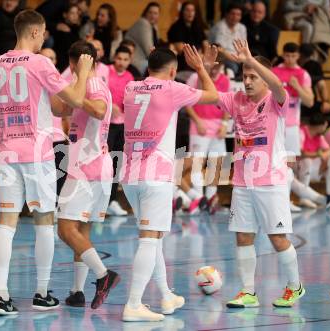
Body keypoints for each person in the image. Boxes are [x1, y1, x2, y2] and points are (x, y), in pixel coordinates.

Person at [0, 9, 93, 315]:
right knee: (44, 222)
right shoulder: (41, 62)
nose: (44, 38)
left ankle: (1, 296)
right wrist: (81, 73)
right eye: (43, 33)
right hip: (37, 151)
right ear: (33, 32)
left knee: (6, 225)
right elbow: (77, 100)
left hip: (7, 152)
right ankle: (42, 293)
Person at [121, 44, 219, 321]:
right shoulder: (172, 88)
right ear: (174, 71)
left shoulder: (130, 87)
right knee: (150, 239)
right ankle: (133, 304)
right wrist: (201, 68)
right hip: (156, 175)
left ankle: (166, 295)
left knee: (155, 237)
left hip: (129, 174)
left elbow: (150, 82)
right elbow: (212, 96)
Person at [206, 39, 305, 309]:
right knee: (243, 236)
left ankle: (295, 286)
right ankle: (248, 292)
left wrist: (249, 60)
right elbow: (211, 95)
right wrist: (205, 69)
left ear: (263, 78)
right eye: (245, 76)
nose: (247, 81)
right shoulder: (237, 100)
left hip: (271, 181)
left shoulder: (275, 101)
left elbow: (278, 85)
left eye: (252, 76)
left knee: (277, 238)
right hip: (242, 182)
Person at [57, 41, 120, 310]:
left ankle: (104, 275)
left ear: (76, 64)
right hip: (95, 165)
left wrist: (80, 79)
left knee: (65, 229)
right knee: (81, 231)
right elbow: (59, 109)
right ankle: (77, 291)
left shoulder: (91, 84)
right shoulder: (87, 85)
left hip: (87, 166)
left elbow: (99, 110)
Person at [272, 42, 314, 211]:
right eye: (287, 55)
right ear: (283, 55)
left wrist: (297, 86)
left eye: (293, 56)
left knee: (289, 164)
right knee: (274, 162)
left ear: (298, 56)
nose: (289, 59)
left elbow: (310, 102)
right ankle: (276, 199)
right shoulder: (274, 72)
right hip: (274, 123)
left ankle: (286, 200)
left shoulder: (303, 74)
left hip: (291, 126)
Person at [185, 57, 230, 214]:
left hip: (217, 126)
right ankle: (198, 199)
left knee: (216, 164)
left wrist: (224, 125)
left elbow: (226, 103)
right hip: (200, 125)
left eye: (218, 67)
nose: (215, 70)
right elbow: (187, 102)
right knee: (197, 163)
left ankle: (211, 199)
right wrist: (197, 121)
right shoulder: (195, 77)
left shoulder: (225, 80)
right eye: (213, 67)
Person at [105, 46, 134, 216]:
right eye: (119, 58)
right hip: (106, 125)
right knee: (104, 164)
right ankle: (99, 201)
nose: (122, 62)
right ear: (114, 58)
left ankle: (112, 200)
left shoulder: (130, 77)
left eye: (125, 59)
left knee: (116, 163)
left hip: (122, 125)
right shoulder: (105, 71)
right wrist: (110, 105)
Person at [284, 0, 330, 72]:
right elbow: (287, 6)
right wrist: (304, 7)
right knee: (308, 28)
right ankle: (306, 60)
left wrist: (328, 11)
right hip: (302, 16)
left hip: (321, 19)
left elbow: (327, 7)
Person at [40, 47, 70, 198]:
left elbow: (65, 112)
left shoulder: (61, 81)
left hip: (58, 136)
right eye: (45, 58)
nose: (48, 61)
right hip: (41, 137)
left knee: (61, 172)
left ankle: (56, 203)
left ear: (56, 61)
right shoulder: (35, 79)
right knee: (44, 175)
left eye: (51, 58)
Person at [298, 113, 330, 208]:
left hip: (315, 168)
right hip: (298, 166)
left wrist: (325, 157)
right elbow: (300, 153)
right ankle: (303, 198)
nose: (325, 128)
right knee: (307, 161)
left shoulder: (319, 136)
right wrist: (319, 154)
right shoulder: (301, 132)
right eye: (325, 125)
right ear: (319, 126)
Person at [168, 1, 206, 72]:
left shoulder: (198, 26)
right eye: (187, 10)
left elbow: (205, 43)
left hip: (200, 59)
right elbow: (180, 49)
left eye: (192, 10)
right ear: (182, 12)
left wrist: (206, 56)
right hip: (184, 62)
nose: (190, 13)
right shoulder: (176, 27)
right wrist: (198, 56)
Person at [209, 3, 247, 76]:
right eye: (233, 14)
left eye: (238, 14)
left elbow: (243, 48)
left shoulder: (242, 28)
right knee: (233, 67)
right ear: (226, 14)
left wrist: (242, 59)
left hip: (238, 58)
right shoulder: (220, 27)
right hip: (221, 58)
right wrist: (236, 60)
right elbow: (219, 49)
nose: (235, 17)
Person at [125, 2, 161, 74]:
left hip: (144, 60)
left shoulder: (153, 26)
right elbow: (149, 51)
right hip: (135, 61)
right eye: (150, 12)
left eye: (155, 13)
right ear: (145, 13)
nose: (152, 16)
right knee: (161, 68)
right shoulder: (143, 23)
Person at [299, 43, 330, 118]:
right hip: (297, 102)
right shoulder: (314, 65)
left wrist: (326, 102)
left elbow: (321, 85)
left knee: (327, 111)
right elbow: (322, 85)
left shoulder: (313, 65)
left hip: (308, 102)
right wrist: (326, 101)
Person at [53, 4, 81, 71]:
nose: (75, 16)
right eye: (72, 13)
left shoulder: (76, 29)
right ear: (65, 15)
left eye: (77, 13)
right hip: (62, 65)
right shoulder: (62, 30)